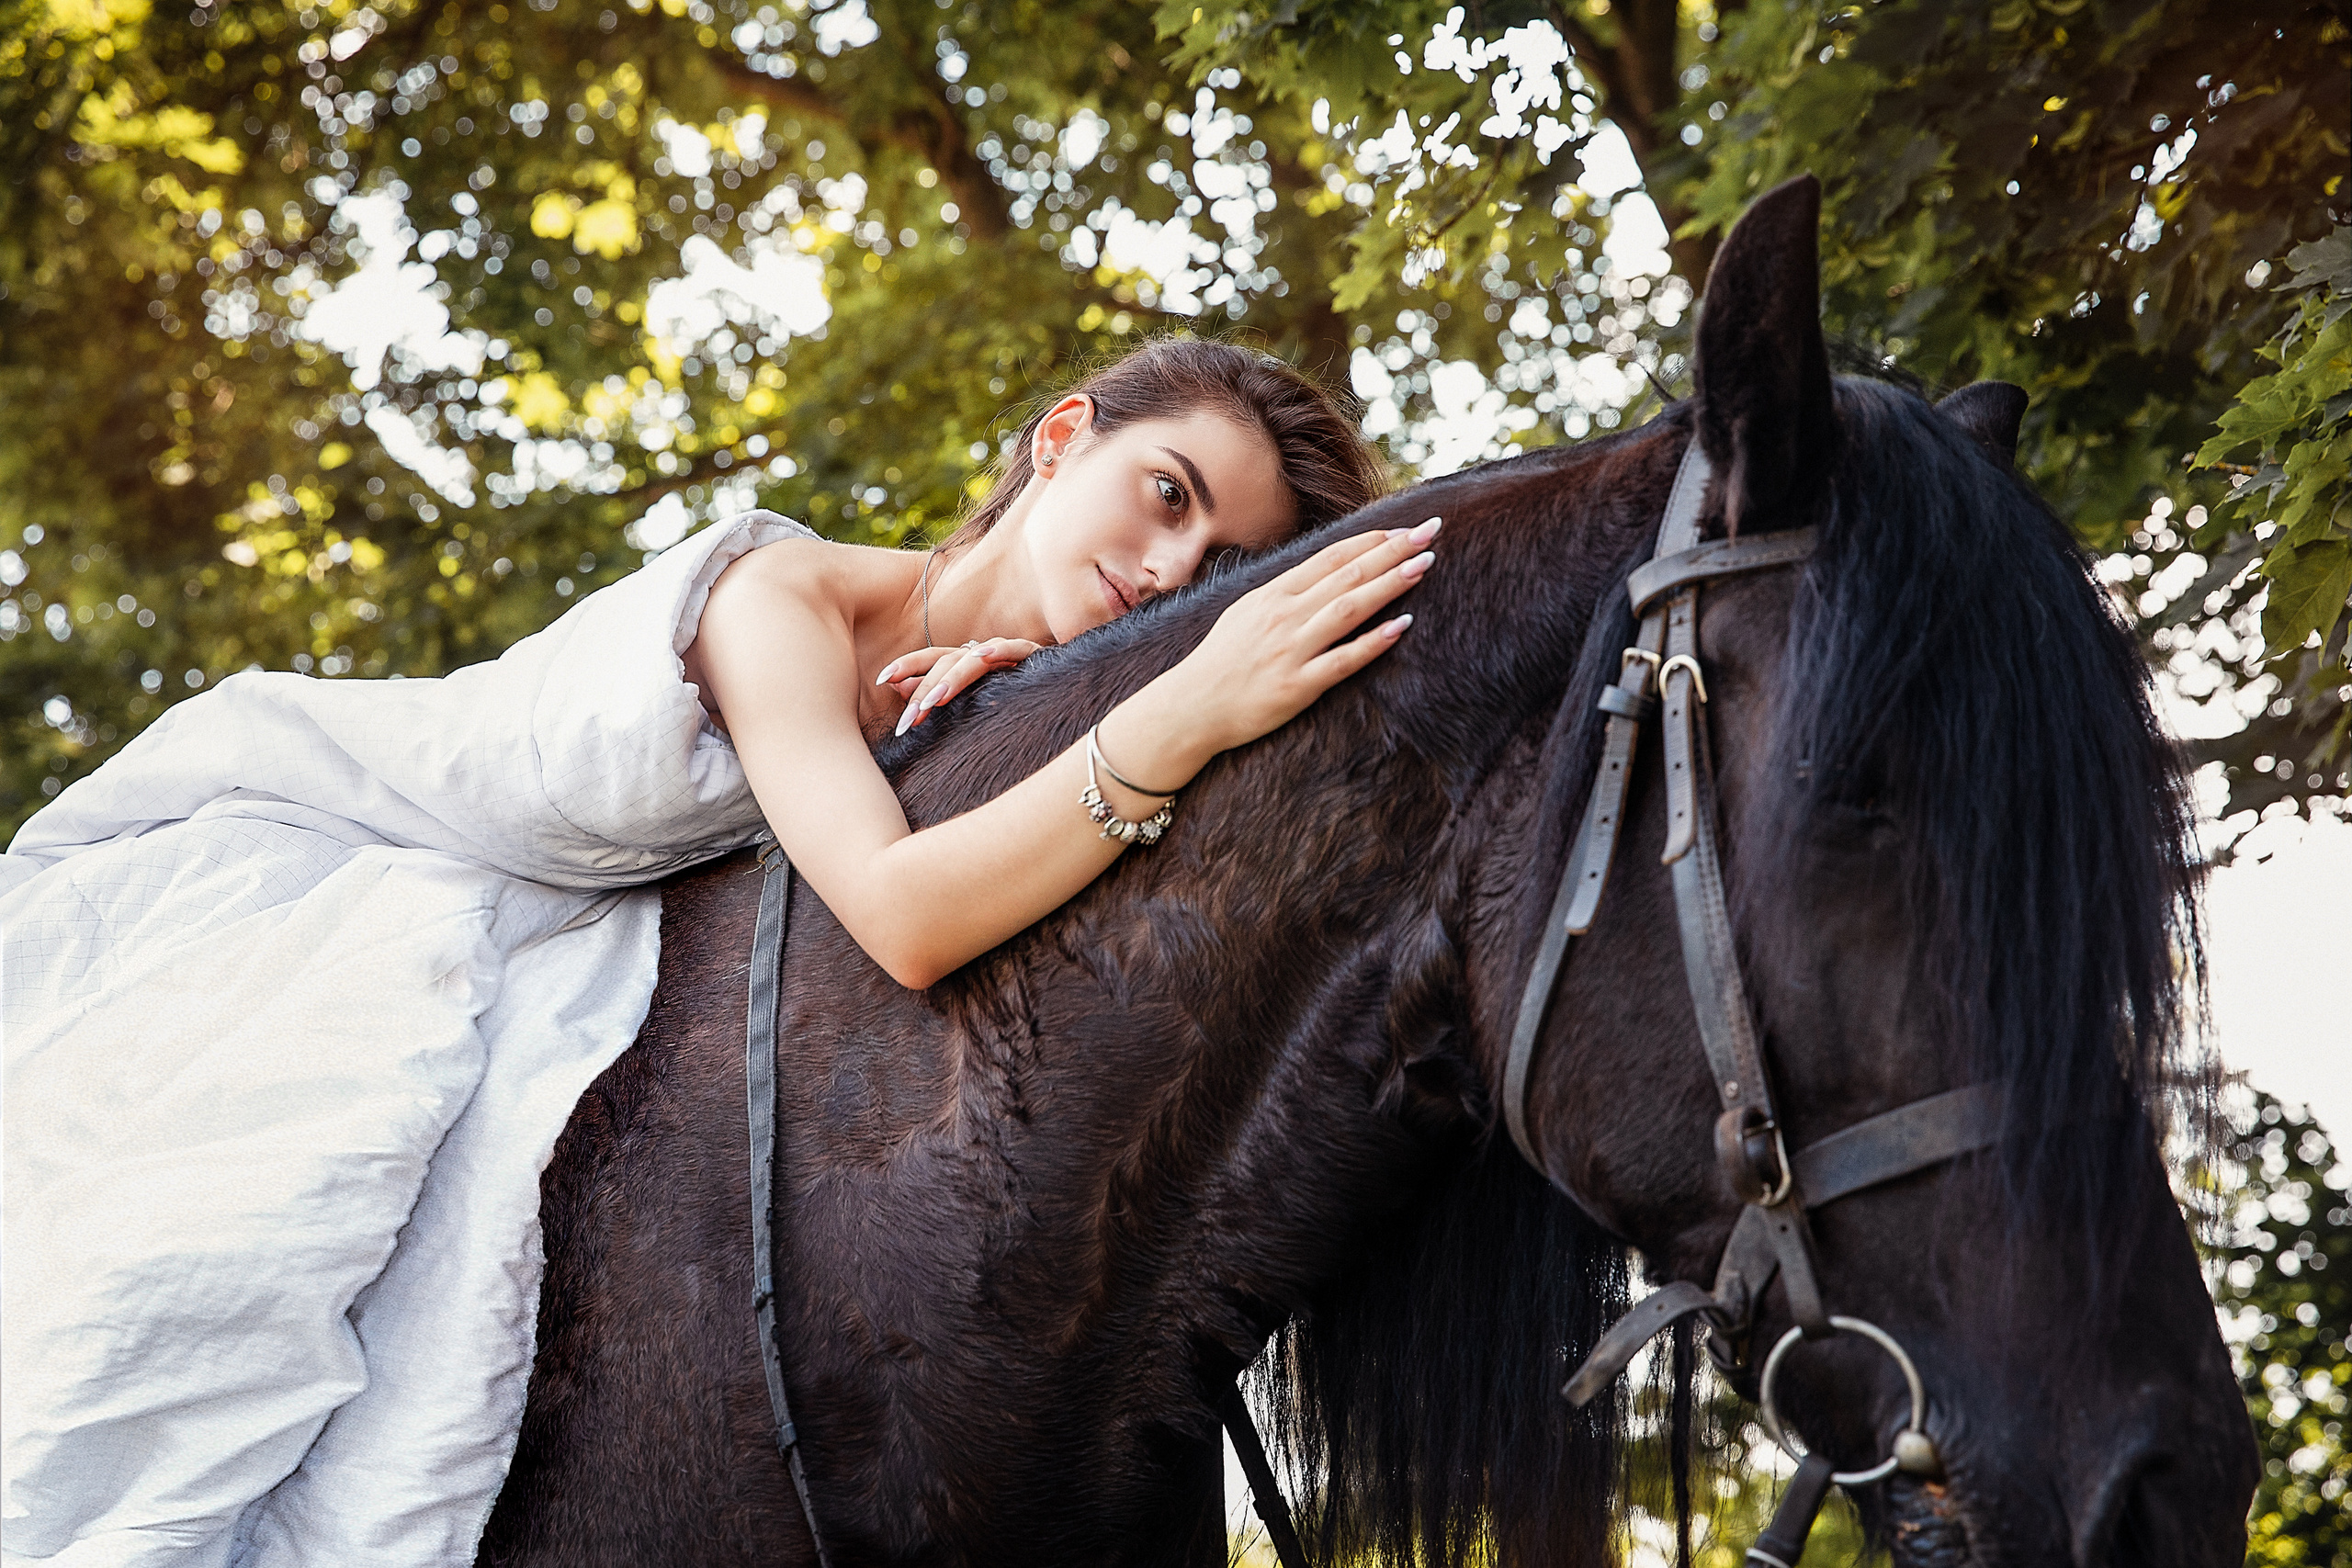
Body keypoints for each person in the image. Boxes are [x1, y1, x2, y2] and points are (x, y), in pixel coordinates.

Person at [0, 337, 1432, 1567]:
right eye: (1167, 494)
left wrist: (1019, 725)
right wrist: (1186, 712)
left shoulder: (1000, 695)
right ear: (1064, 439)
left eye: (1226, 564)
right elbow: (908, 915)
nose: (1173, 563)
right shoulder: (783, 601)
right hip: (344, 856)